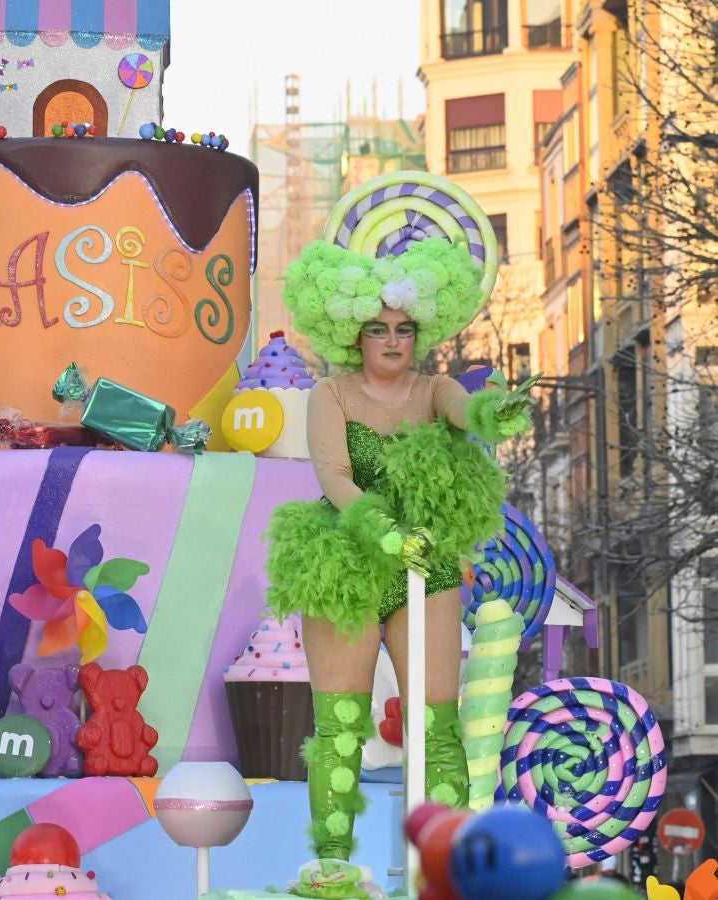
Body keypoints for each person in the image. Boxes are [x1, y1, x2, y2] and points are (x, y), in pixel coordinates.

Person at [266, 229, 534, 898]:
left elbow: (463, 409)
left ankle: (448, 866)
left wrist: (492, 410)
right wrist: (383, 531)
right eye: (378, 328)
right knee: (341, 724)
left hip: (428, 570)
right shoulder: (330, 396)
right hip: (347, 563)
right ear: (354, 334)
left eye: (404, 328)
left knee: (436, 723)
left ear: (419, 335)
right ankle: (331, 869)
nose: (391, 340)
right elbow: (333, 477)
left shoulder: (431, 389)